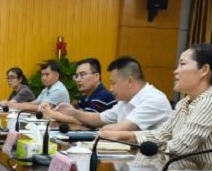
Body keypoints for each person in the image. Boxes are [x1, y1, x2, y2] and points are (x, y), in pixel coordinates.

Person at [105, 43, 212, 171]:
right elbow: (161, 134)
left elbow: (181, 147)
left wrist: (142, 144)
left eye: (182, 64)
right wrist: (123, 136)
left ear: (204, 70)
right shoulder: (184, 103)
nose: (176, 71)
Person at [39, 56, 170, 131]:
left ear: (129, 81)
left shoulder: (153, 100)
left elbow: (121, 129)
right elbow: (98, 119)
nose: (111, 89)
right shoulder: (125, 101)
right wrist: (72, 111)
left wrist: (101, 129)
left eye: (113, 83)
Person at [1, 60, 68, 111]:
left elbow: (43, 108)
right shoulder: (46, 89)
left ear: (56, 76)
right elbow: (34, 103)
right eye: (42, 75)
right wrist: (13, 105)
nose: (43, 78)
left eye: (47, 74)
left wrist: (15, 105)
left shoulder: (58, 90)